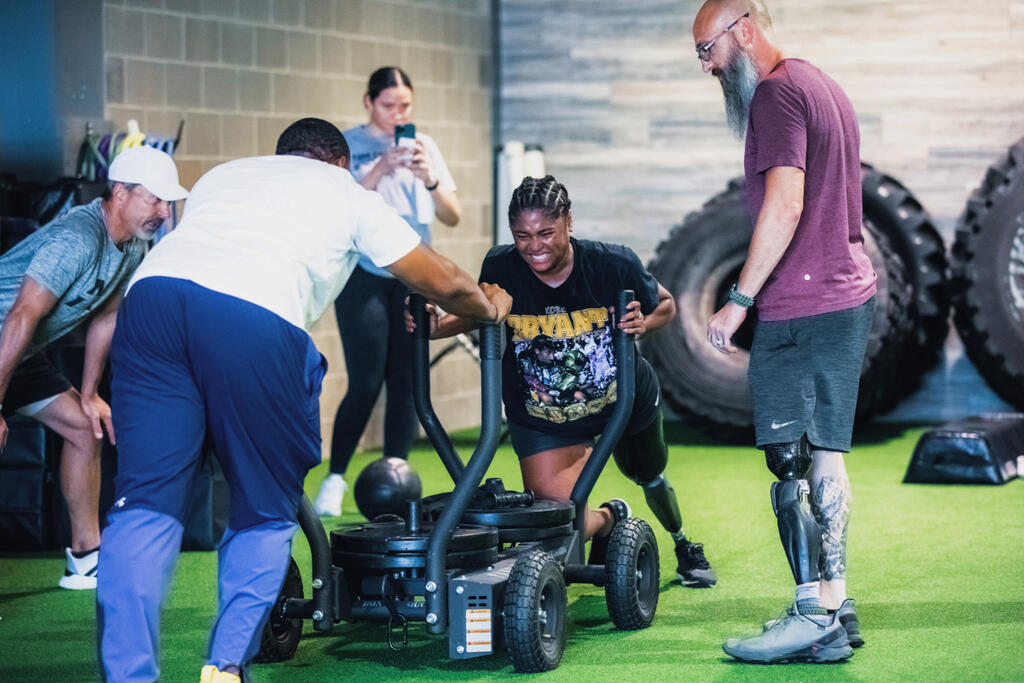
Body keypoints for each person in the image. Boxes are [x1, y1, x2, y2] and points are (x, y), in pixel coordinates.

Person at [94, 117, 510, 683]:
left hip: (151, 304)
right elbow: (442, 281)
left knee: (144, 505)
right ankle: (224, 668)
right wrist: (488, 306)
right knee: (265, 510)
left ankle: (128, 676)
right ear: (340, 163)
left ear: (282, 155)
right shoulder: (346, 191)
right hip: (251, 318)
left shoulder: (223, 175)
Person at [411, 175, 716, 587]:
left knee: (649, 475)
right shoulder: (501, 266)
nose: (534, 247)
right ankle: (611, 519)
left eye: (545, 233)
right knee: (554, 522)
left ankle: (682, 542)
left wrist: (643, 322)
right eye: (522, 236)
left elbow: (665, 304)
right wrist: (437, 328)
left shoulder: (613, 264)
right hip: (544, 413)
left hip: (621, 401)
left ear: (568, 222)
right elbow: (483, 312)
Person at [694, 0, 876, 663]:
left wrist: (738, 301)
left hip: (801, 304)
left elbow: (787, 203)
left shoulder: (775, 94)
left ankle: (811, 615)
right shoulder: (820, 84)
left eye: (708, 50)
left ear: (743, 30)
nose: (707, 67)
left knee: (787, 462)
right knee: (826, 452)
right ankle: (834, 602)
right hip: (846, 294)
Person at [0, 146, 187, 590]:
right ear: (120, 193)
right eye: (155, 199)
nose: (164, 212)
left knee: (85, 427)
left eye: (168, 202)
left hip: (20, 353)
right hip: (10, 336)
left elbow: (105, 317)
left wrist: (89, 393)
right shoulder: (79, 237)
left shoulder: (133, 246)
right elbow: (23, 314)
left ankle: (85, 559)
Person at [314, 66, 461, 517]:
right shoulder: (347, 145)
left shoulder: (424, 146)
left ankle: (396, 477)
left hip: (413, 273)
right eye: (389, 105)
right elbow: (332, 209)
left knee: (407, 382)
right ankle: (335, 478)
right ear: (369, 102)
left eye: (406, 106)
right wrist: (379, 169)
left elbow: (453, 215)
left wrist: (429, 178)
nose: (399, 114)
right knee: (365, 380)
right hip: (364, 272)